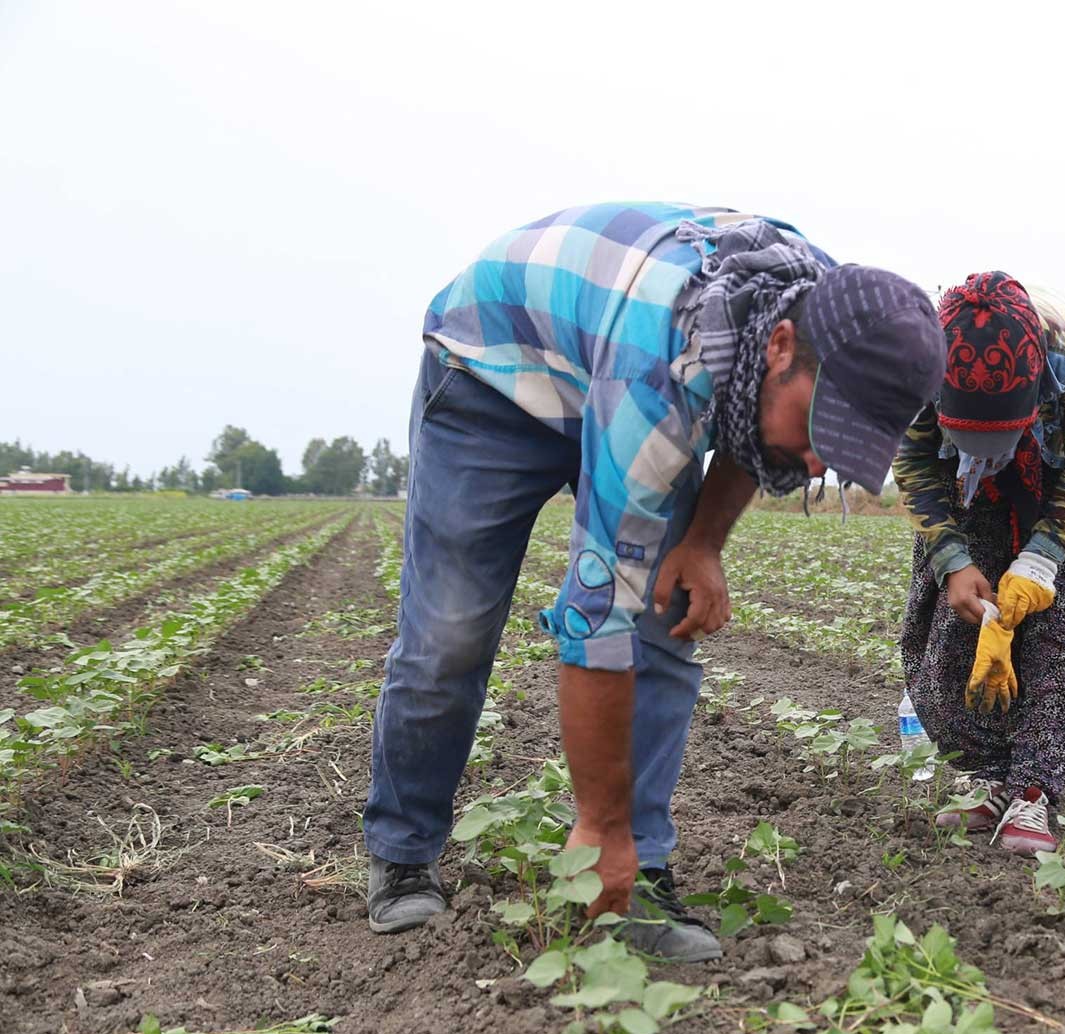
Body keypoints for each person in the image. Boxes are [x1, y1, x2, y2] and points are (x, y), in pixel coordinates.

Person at [363, 202, 942, 959]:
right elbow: (595, 618)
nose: (816, 464)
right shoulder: (662, 372)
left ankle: (640, 871)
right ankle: (405, 850)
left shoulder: (840, 313)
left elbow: (754, 425)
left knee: (666, 616)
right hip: (493, 374)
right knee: (452, 632)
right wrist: (594, 826)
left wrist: (702, 542)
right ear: (779, 346)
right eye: (821, 430)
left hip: (619, 355)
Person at [894, 272, 1065, 853]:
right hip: (962, 482)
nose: (988, 455)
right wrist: (952, 561)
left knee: (1063, 622)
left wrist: (1042, 561)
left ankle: (1032, 793)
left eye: (995, 437)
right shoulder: (917, 357)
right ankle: (994, 779)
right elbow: (915, 462)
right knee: (959, 621)